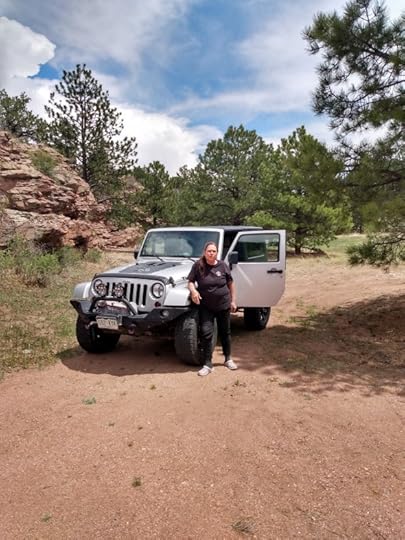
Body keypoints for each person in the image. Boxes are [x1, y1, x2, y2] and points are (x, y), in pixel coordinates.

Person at [187, 241, 238, 376]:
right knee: (206, 332)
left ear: (217, 253)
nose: (211, 253)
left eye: (214, 251)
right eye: (209, 251)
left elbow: (230, 284)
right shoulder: (198, 266)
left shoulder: (223, 265)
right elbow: (190, 282)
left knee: (225, 332)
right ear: (205, 252)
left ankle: (228, 359)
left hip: (223, 305)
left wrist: (233, 301)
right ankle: (208, 364)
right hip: (206, 307)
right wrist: (194, 292)